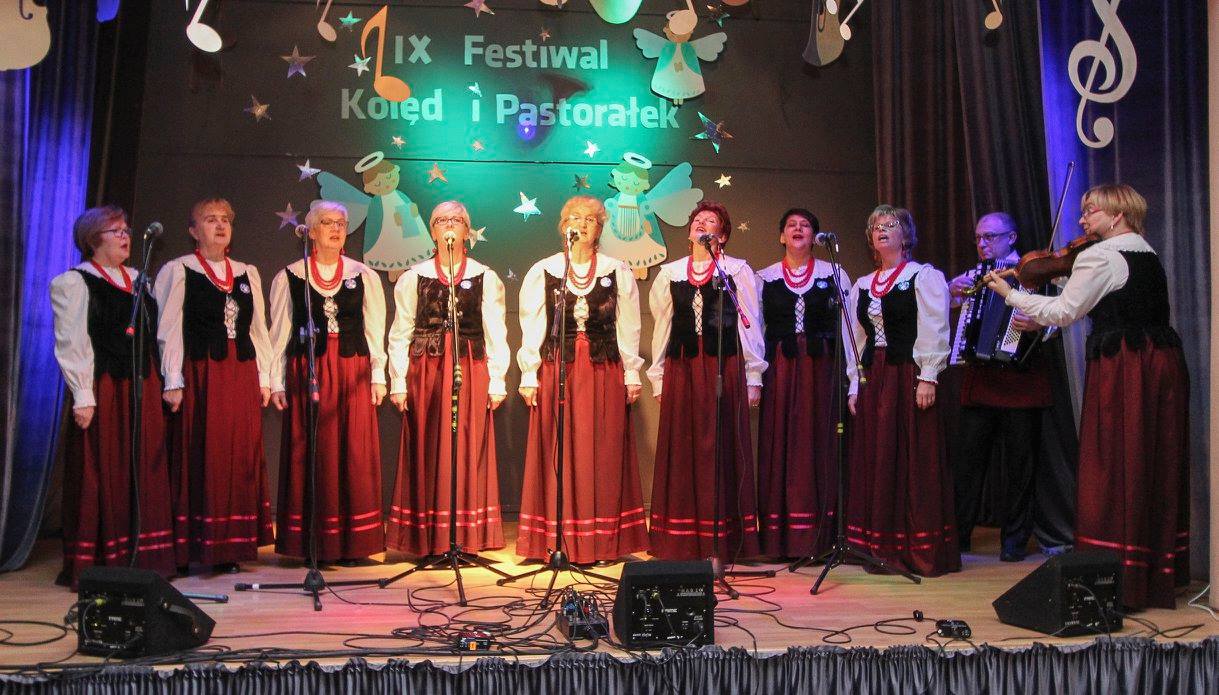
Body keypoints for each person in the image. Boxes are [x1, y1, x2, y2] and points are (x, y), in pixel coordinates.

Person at [985, 184, 1189, 610]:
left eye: (1090, 211)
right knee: (1148, 460)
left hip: (1124, 367)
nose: (1082, 220)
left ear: (1116, 215)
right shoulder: (1145, 252)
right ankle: (1148, 571)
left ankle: (1115, 574)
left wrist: (1010, 294)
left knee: (1113, 463)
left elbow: (1064, 310)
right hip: (1159, 363)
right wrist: (1051, 295)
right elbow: (1101, 299)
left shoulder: (1102, 256)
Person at [516, 195, 649, 563]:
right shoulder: (545, 270)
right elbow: (532, 327)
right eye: (575, 218)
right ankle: (557, 540)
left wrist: (632, 372)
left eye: (590, 219)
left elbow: (628, 326)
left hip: (603, 369)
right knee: (558, 449)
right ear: (564, 226)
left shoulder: (616, 270)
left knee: (602, 452)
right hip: (558, 367)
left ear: (599, 229)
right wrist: (528, 373)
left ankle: (601, 543)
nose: (582, 223)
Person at [50, 206, 176, 587]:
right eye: (115, 231)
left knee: (143, 465)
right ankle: (102, 561)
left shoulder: (139, 281)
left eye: (126, 230)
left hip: (141, 383)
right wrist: (83, 395)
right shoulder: (75, 282)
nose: (124, 237)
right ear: (93, 240)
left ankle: (144, 557)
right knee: (104, 467)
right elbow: (72, 341)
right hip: (105, 385)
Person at [154, 199, 274, 574]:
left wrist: (265, 377)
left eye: (225, 220)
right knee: (203, 453)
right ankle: (195, 547)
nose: (220, 226)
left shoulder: (247, 273)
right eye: (210, 220)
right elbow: (168, 329)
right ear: (193, 231)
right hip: (202, 373)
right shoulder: (179, 270)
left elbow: (259, 329)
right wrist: (173, 379)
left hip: (240, 372)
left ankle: (230, 547)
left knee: (238, 455)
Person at [386, 201, 508, 556]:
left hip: (469, 366)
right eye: (441, 220)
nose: (449, 225)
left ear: (467, 231)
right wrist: (398, 381)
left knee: (467, 448)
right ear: (432, 231)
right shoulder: (414, 277)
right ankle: (430, 539)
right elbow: (400, 332)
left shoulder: (485, 276)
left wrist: (497, 379)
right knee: (428, 447)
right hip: (426, 370)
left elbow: (496, 331)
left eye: (456, 220)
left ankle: (464, 539)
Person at [268, 201, 387, 564]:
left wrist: (378, 376)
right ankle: (313, 542)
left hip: (352, 368)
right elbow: (280, 333)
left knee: (353, 452)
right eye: (327, 222)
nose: (335, 228)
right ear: (311, 231)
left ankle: (353, 543)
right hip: (310, 369)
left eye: (341, 223)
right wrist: (276, 381)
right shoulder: (291, 275)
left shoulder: (363, 275)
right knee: (313, 450)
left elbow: (374, 330)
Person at [844, 205, 960, 577]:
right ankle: (880, 544)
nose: (882, 230)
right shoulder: (863, 285)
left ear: (905, 234)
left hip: (908, 371)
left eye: (890, 224)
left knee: (913, 455)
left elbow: (934, 327)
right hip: (876, 377)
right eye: (876, 226)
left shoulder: (923, 277)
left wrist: (928, 376)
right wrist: (855, 382)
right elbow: (856, 338)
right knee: (879, 455)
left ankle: (916, 547)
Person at [648, 201, 766, 560]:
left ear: (723, 235)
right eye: (697, 219)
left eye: (710, 221)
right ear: (689, 232)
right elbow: (663, 326)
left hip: (723, 364)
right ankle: (681, 539)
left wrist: (753, 374)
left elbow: (749, 323)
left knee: (721, 445)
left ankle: (723, 538)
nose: (702, 223)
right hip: (683, 367)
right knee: (683, 448)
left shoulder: (736, 270)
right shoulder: (670, 274)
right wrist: (658, 376)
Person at [946, 212, 1053, 562]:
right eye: (978, 237)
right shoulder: (974, 275)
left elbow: (1061, 315)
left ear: (1011, 237)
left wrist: (1040, 323)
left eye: (989, 237)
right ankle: (959, 536)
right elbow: (952, 305)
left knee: (1020, 465)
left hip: (1023, 381)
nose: (982, 244)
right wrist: (951, 293)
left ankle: (1015, 541)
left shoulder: (1036, 272)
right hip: (981, 379)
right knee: (967, 462)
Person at [756, 208, 850, 559]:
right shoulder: (764, 277)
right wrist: (755, 375)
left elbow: (849, 328)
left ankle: (821, 536)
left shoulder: (834, 273)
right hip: (781, 368)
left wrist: (851, 377)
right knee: (781, 440)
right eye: (791, 225)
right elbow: (755, 331)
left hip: (820, 369)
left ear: (815, 236)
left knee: (817, 440)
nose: (798, 229)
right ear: (782, 236)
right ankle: (780, 538)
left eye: (805, 225)